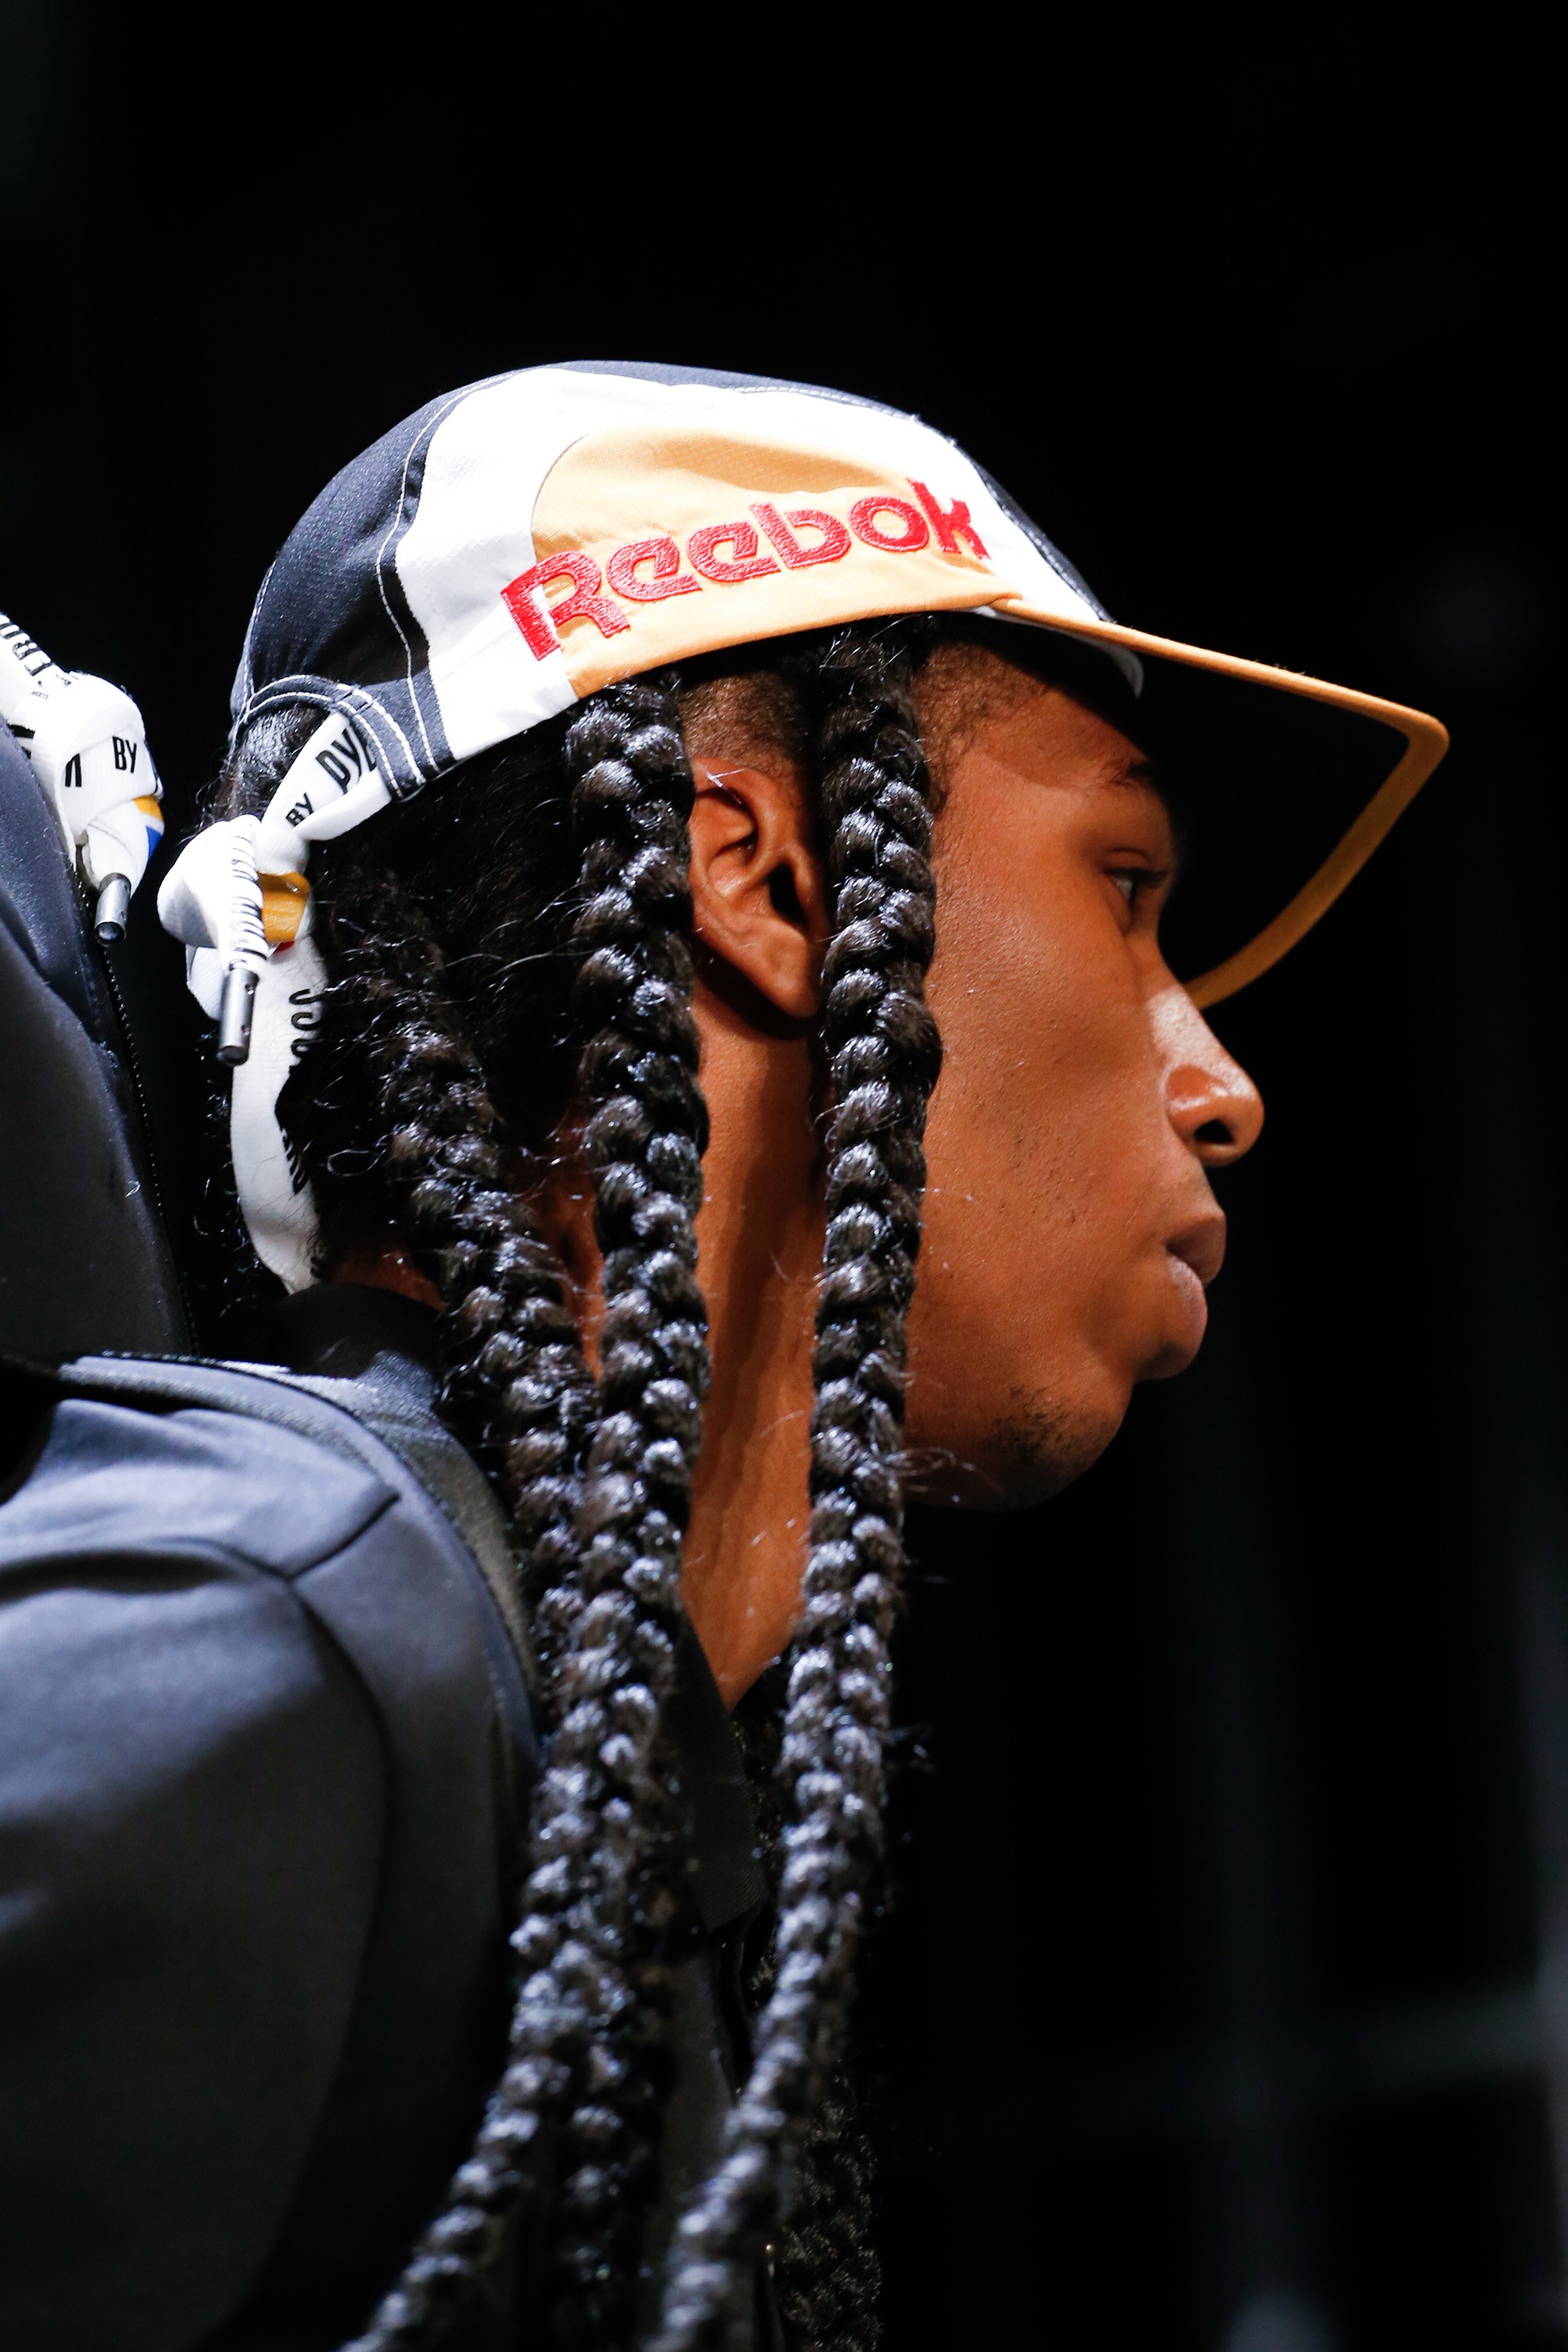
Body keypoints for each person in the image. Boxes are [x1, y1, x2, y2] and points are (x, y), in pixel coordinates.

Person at [0, 364, 1446, 2352]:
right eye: (1124, 894)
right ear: (756, 879)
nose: (1219, 1085)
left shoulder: (551, 1778)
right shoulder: (279, 1630)